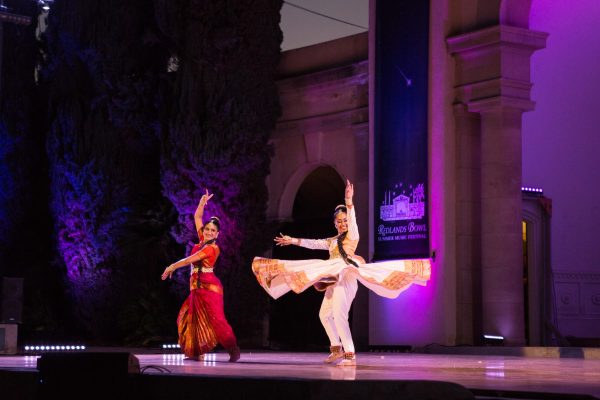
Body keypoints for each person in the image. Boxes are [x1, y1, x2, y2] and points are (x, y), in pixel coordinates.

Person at [252, 179, 431, 367]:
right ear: (335, 224)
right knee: (324, 315)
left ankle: (350, 353)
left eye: (345, 220)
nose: (343, 223)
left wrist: (349, 202)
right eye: (340, 221)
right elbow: (313, 243)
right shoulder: (332, 241)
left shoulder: (352, 236)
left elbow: (353, 223)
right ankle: (336, 348)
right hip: (332, 278)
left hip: (346, 275)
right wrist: (293, 240)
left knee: (339, 315)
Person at [161, 189, 240, 362]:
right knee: (190, 319)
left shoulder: (212, 248)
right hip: (196, 288)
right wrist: (202, 202)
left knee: (217, 321)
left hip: (210, 288)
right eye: (208, 229)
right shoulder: (202, 240)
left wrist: (172, 266)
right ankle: (196, 351)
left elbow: (192, 259)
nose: (209, 232)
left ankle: (233, 349)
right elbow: (197, 217)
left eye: (213, 231)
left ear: (217, 234)